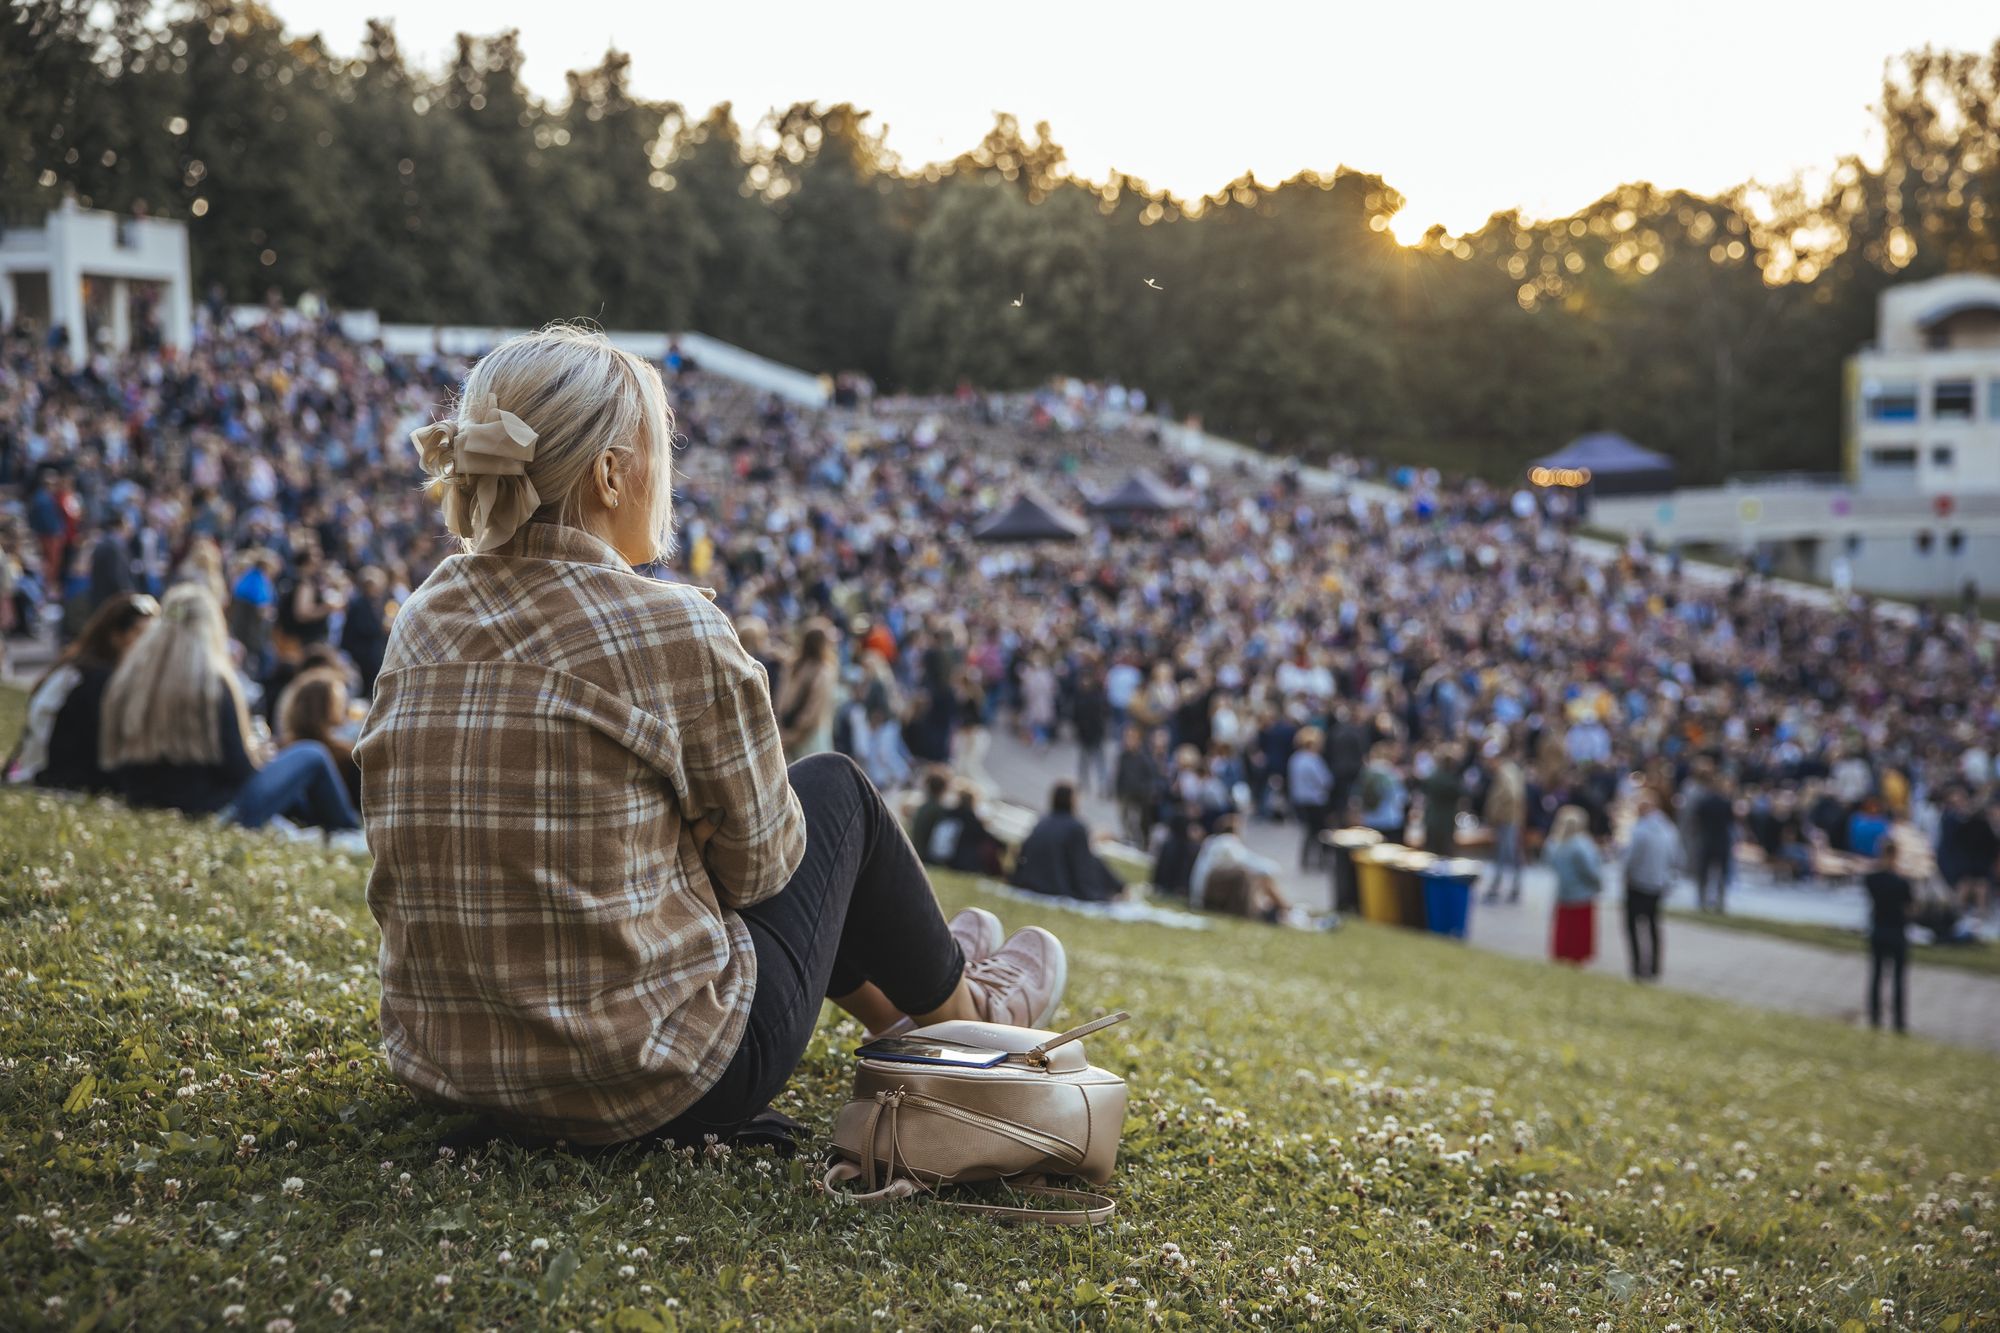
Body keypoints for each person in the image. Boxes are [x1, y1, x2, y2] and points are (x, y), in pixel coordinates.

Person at [355, 325, 1067, 1151]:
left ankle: (911, 1011)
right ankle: (973, 1021)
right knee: (836, 793)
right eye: (660, 446)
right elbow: (768, 867)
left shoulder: (424, 615)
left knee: (759, 829)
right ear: (612, 471)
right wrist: (697, 839)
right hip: (655, 1076)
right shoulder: (671, 626)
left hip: (456, 1062)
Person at [98, 585, 361, 834]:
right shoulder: (212, 685)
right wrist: (257, 756)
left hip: (143, 803)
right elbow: (240, 773)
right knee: (311, 754)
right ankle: (349, 830)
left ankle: (320, 825)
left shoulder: (128, 680)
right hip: (215, 813)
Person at [7, 591, 158, 792]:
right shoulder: (93, 680)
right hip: (55, 778)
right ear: (115, 636)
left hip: (45, 773)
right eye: (140, 635)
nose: (149, 646)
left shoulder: (80, 669)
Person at [1010, 780, 1124, 903]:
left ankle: (1120, 887)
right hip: (1054, 885)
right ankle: (1121, 888)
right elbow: (1082, 868)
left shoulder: (1043, 820)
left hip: (1029, 881)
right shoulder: (1076, 827)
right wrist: (1098, 895)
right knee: (1095, 861)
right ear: (1072, 800)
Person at [276, 665, 363, 810]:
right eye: (340, 700)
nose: (346, 705)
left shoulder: (281, 749)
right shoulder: (346, 756)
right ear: (325, 705)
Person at [1622, 790, 1682, 980]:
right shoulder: (1669, 829)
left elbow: (1630, 858)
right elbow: (1677, 857)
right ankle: (1655, 967)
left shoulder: (1641, 830)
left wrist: (1626, 874)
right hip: (1658, 883)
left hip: (1638, 883)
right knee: (1653, 925)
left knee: (1633, 926)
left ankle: (1637, 967)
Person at [1189, 812, 1291, 922]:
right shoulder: (1227, 843)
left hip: (1200, 895)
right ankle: (1284, 908)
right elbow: (1255, 864)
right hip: (1205, 896)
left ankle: (1282, 908)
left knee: (1252, 876)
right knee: (1254, 876)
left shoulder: (1213, 842)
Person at [1863, 842, 1915, 1033]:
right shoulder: (1902, 882)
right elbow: (1910, 909)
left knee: (1876, 975)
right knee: (1898, 979)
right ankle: (1899, 1021)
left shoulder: (1872, 878)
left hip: (1878, 929)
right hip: (1897, 931)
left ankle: (1875, 1017)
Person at [773, 618, 838, 764]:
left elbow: (781, 700)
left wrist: (784, 731)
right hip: (813, 734)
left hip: (788, 730)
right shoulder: (823, 670)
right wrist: (797, 734)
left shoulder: (793, 666)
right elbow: (814, 709)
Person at [1545, 805, 1602, 966]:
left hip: (1563, 893)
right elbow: (1591, 871)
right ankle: (1576, 959)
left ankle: (1562, 956)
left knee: (1565, 931)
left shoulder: (1555, 843)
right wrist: (1597, 885)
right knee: (1579, 934)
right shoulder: (1582, 844)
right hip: (1582, 895)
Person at [1481, 743, 1527, 904]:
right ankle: (1512, 888)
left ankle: (1499, 888)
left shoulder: (1504, 771)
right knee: (1509, 853)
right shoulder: (1511, 769)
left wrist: (1497, 813)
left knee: (1506, 854)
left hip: (1507, 819)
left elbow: (1511, 794)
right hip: (1512, 818)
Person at [1287, 727, 1333, 869]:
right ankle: (1321, 860)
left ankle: (1305, 859)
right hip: (1315, 800)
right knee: (1320, 831)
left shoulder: (1295, 758)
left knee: (1308, 830)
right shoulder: (1314, 759)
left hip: (1299, 800)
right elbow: (1325, 780)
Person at [1691, 769, 1736, 913]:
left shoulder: (1705, 802)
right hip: (1721, 841)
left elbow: (1697, 820)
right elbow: (1731, 822)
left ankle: (1702, 901)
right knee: (1721, 873)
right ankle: (1719, 903)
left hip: (1706, 839)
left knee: (1703, 873)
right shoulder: (1726, 803)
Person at [1112, 722, 1161, 847]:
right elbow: (1119, 773)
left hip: (1141, 795)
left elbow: (1151, 776)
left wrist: (1149, 791)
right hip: (1125, 792)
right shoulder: (1123, 756)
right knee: (1126, 819)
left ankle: (1142, 842)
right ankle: (1129, 840)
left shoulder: (1144, 757)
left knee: (1141, 821)